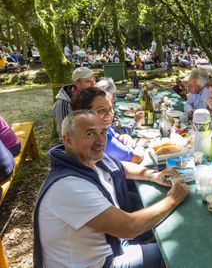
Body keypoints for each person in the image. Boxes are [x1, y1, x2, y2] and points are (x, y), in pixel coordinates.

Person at [34, 110, 189, 268]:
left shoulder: (85, 160)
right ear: (68, 140)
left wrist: (152, 175)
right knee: (178, 249)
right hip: (101, 262)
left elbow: (120, 167)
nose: (101, 140)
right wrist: (173, 199)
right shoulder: (68, 186)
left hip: (112, 243)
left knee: (173, 226)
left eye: (103, 132)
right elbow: (129, 227)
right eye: (90, 134)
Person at [72, 87, 143, 163]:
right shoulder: (101, 140)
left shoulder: (95, 127)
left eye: (111, 108)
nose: (109, 114)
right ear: (85, 113)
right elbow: (136, 158)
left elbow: (113, 133)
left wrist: (121, 136)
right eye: (101, 110)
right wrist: (140, 144)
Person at [52, 67, 96, 138]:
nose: (93, 84)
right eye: (88, 81)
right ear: (77, 83)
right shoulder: (63, 104)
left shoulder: (89, 94)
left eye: (94, 80)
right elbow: (66, 133)